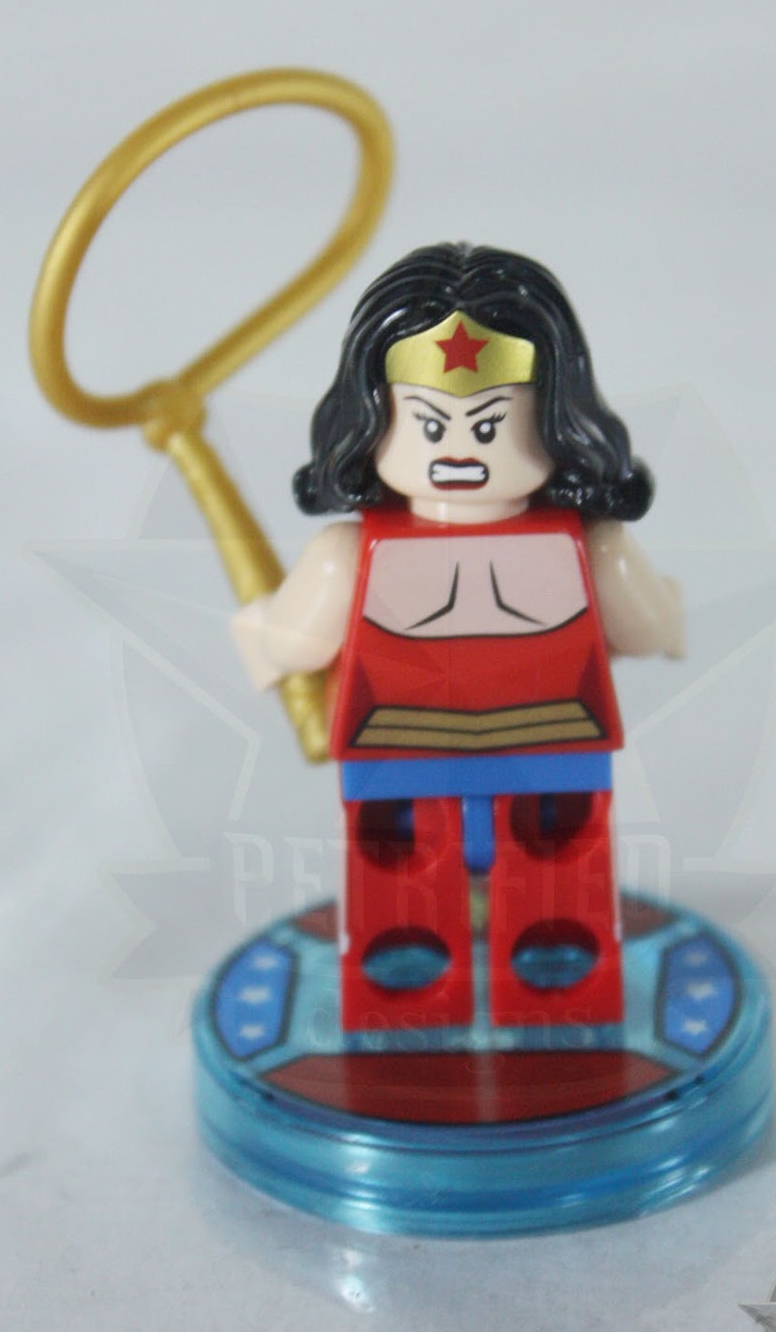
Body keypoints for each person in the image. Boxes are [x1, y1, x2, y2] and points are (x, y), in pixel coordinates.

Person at [233, 243, 684, 1031]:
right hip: (449, 753)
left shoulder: (587, 544)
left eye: (489, 424)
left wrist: (262, 633)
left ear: (552, 418)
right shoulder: (352, 555)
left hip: (513, 751)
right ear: (374, 420)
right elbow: (649, 627)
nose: (459, 451)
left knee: (517, 895)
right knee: (429, 899)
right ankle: (446, 1007)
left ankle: (508, 1004)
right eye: (430, 423)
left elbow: (294, 646)